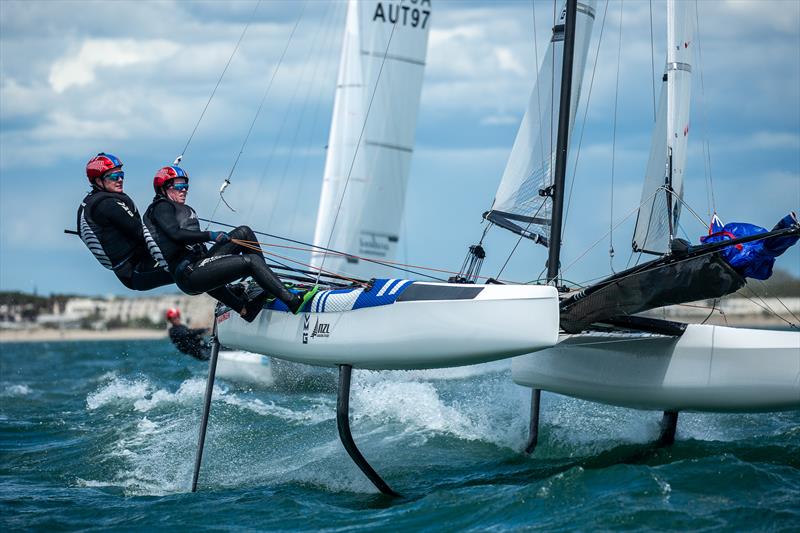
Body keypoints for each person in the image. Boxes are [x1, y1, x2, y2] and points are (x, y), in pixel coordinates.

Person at [143, 165, 318, 323]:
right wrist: (210, 235)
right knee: (250, 261)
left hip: (199, 265)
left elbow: (209, 269)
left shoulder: (177, 208)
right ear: (164, 189)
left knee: (244, 232)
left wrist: (240, 307)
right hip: (188, 274)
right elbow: (175, 234)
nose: (184, 191)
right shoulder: (161, 207)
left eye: (186, 187)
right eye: (179, 187)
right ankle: (293, 302)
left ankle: (268, 288)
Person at [77, 153, 174, 291]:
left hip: (139, 264)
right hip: (136, 270)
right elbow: (142, 233)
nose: (120, 180)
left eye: (121, 175)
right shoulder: (106, 205)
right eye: (114, 177)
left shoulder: (98, 200)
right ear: (98, 181)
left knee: (195, 258)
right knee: (189, 266)